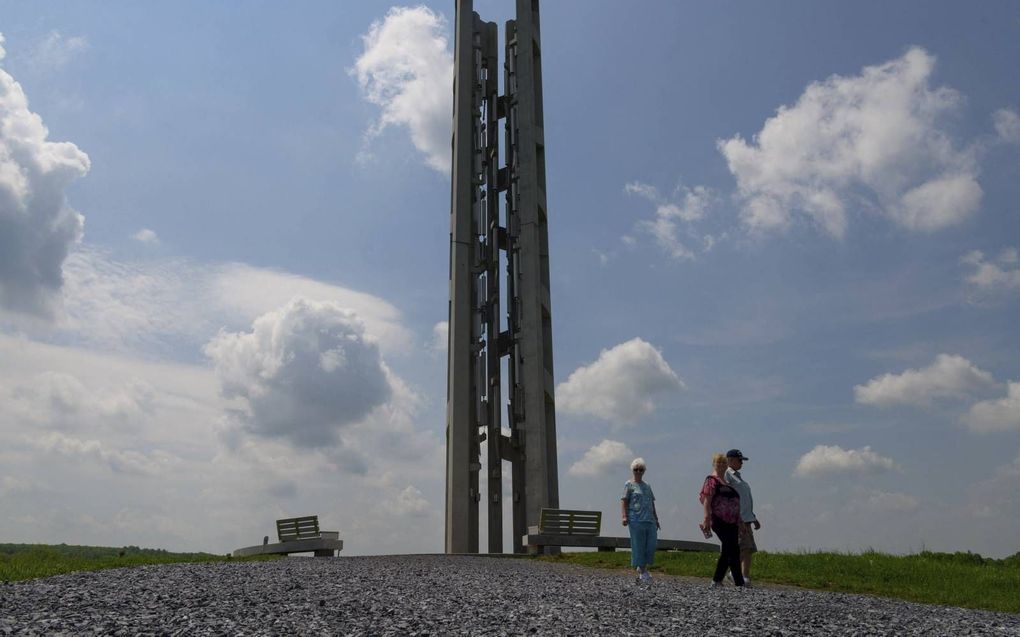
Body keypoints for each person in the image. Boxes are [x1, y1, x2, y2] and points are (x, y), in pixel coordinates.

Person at [700, 453, 744, 587]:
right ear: (714, 464)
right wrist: (707, 518)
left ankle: (716, 580)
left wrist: (741, 522)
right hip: (719, 520)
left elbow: (735, 504)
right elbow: (707, 501)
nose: (721, 465)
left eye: (723, 463)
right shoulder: (711, 480)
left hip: (733, 522)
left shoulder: (727, 483)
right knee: (733, 550)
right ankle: (739, 583)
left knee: (728, 550)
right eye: (718, 463)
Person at [725, 448, 761, 587]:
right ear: (731, 460)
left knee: (748, 548)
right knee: (744, 547)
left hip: (746, 518)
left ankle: (736, 574)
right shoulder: (728, 474)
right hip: (737, 519)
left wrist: (753, 517)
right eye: (740, 460)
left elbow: (745, 499)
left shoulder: (738, 477)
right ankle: (742, 576)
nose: (742, 463)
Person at [621, 457, 660, 584]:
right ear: (632, 470)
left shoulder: (647, 485)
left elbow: (652, 502)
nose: (638, 471)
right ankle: (643, 572)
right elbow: (624, 500)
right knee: (638, 545)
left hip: (650, 520)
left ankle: (642, 566)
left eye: (641, 469)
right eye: (636, 469)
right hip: (635, 519)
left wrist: (656, 519)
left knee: (651, 545)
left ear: (644, 471)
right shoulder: (629, 484)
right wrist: (624, 516)